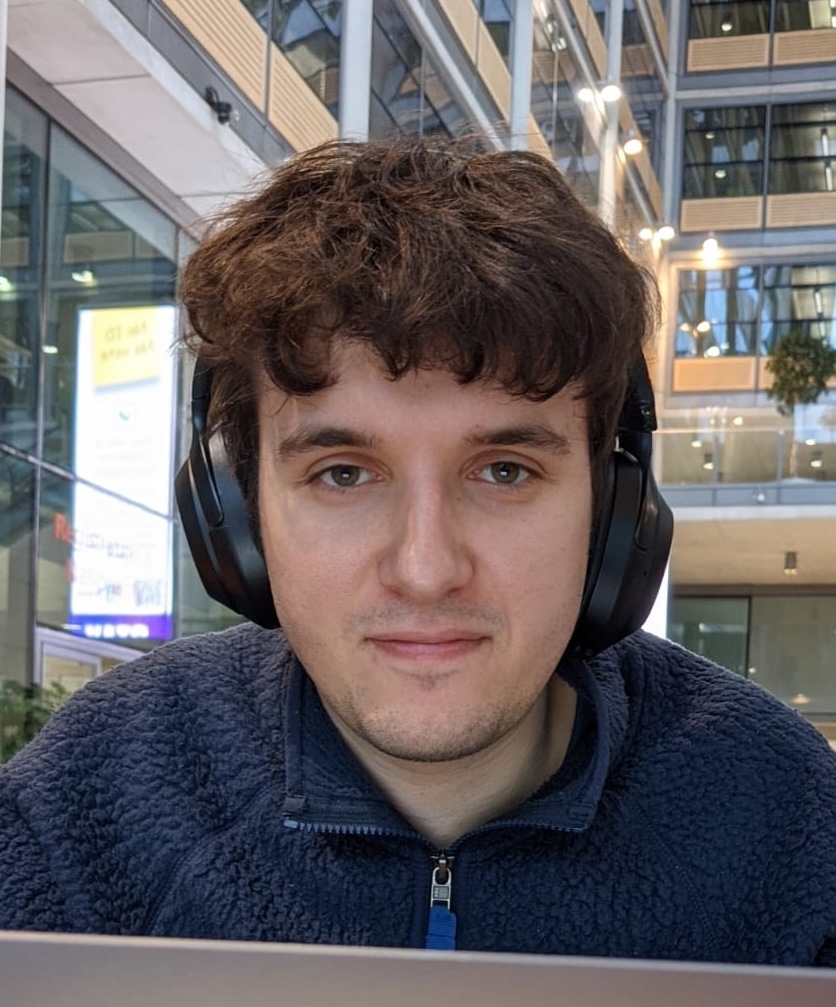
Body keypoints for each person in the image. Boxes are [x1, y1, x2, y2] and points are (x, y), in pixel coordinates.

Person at [1, 137, 835, 965]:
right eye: (343, 474)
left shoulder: (785, 818)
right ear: (238, 515)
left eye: (505, 470)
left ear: (614, 510)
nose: (426, 568)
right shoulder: (96, 798)